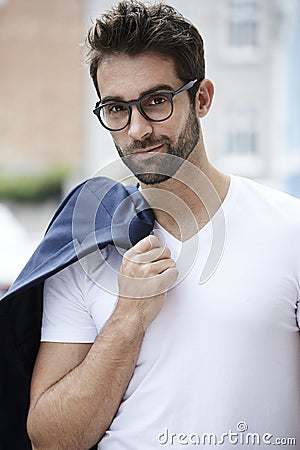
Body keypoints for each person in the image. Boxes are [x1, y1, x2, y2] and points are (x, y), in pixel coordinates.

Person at [26, 1, 300, 449]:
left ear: (202, 98)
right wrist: (128, 318)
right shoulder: (83, 247)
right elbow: (50, 439)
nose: (137, 129)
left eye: (156, 101)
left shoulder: (290, 231)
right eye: (116, 109)